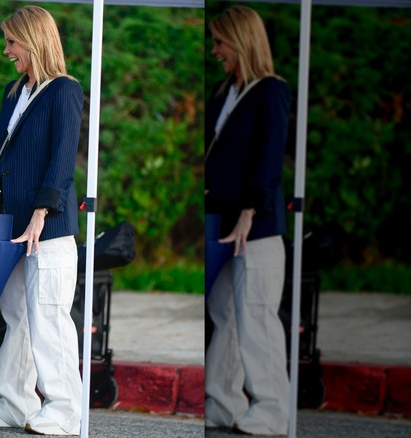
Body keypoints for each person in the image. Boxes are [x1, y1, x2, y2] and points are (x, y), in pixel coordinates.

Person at [0, 5, 83, 436]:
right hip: (8, 224)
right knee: (16, 314)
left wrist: (41, 213)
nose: (6, 50)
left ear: (34, 40)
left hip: (46, 227)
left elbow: (61, 158)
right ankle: (15, 403)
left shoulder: (64, 90)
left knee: (49, 317)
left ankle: (65, 411)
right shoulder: (15, 93)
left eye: (12, 41)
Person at [204, 5, 291, 436]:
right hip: (224, 226)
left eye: (220, 41)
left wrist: (249, 212)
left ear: (240, 41)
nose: (215, 49)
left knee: (256, 317)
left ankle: (272, 412)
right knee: (226, 311)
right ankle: (223, 404)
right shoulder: (227, 91)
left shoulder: (270, 91)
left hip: (255, 228)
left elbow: (269, 157)